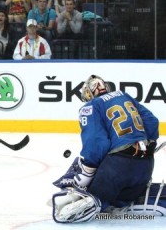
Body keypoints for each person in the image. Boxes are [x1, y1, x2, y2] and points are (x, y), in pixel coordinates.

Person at [51, 75, 162, 223]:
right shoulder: (124, 95)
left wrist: (87, 171)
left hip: (117, 169)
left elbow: (96, 142)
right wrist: (149, 144)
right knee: (124, 197)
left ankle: (101, 201)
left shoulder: (91, 106)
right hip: (146, 166)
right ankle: (129, 201)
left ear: (89, 93)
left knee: (91, 198)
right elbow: (152, 122)